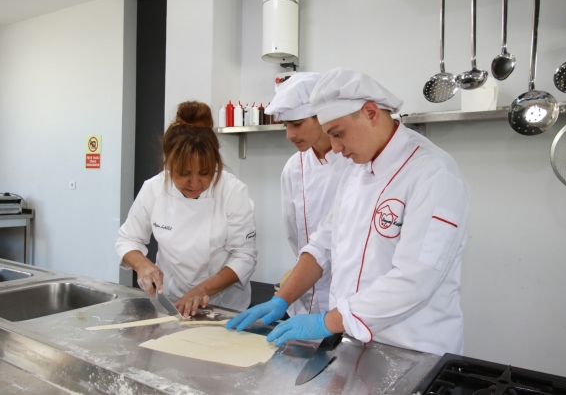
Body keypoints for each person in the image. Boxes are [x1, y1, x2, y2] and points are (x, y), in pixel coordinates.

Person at [227, 68, 470, 356]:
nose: (336, 147)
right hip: (355, 344)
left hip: (413, 349)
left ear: (371, 113)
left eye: (339, 134)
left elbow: (415, 280)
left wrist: (326, 322)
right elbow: (323, 245)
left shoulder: (434, 173)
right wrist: (281, 299)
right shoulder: (356, 169)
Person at [116, 101, 258, 317]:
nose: (194, 183)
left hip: (223, 306)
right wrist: (142, 265)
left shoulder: (232, 191)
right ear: (169, 164)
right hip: (171, 301)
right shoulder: (154, 188)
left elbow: (244, 256)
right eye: (184, 173)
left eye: (205, 173)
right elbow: (128, 239)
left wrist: (203, 289)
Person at [265, 72, 348, 317]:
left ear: (321, 117)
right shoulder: (294, 167)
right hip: (305, 293)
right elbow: (294, 234)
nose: (289, 135)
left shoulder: (354, 160)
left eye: (297, 124)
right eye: (286, 126)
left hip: (348, 293)